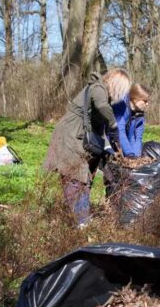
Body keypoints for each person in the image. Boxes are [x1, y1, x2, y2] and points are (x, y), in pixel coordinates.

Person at [43, 69, 129, 226]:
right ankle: (81, 223)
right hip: (69, 138)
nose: (120, 96)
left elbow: (100, 127)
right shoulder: (98, 89)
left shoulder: (103, 94)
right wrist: (114, 124)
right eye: (121, 91)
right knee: (74, 179)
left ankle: (82, 221)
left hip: (79, 139)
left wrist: (112, 147)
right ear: (115, 85)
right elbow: (102, 107)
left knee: (84, 180)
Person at [112, 83, 151, 157]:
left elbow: (138, 138)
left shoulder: (140, 115)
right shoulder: (121, 106)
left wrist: (135, 156)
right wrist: (130, 154)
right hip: (111, 144)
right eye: (145, 101)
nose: (147, 104)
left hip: (125, 145)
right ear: (136, 99)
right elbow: (120, 131)